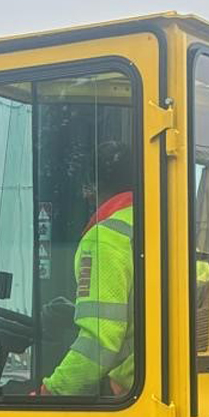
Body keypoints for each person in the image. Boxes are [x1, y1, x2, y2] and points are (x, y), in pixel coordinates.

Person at [41, 141, 135, 397]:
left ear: (92, 188)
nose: (84, 196)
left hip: (130, 392)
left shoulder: (104, 238)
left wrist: (51, 393)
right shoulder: (161, 223)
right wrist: (77, 312)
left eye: (85, 186)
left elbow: (100, 341)